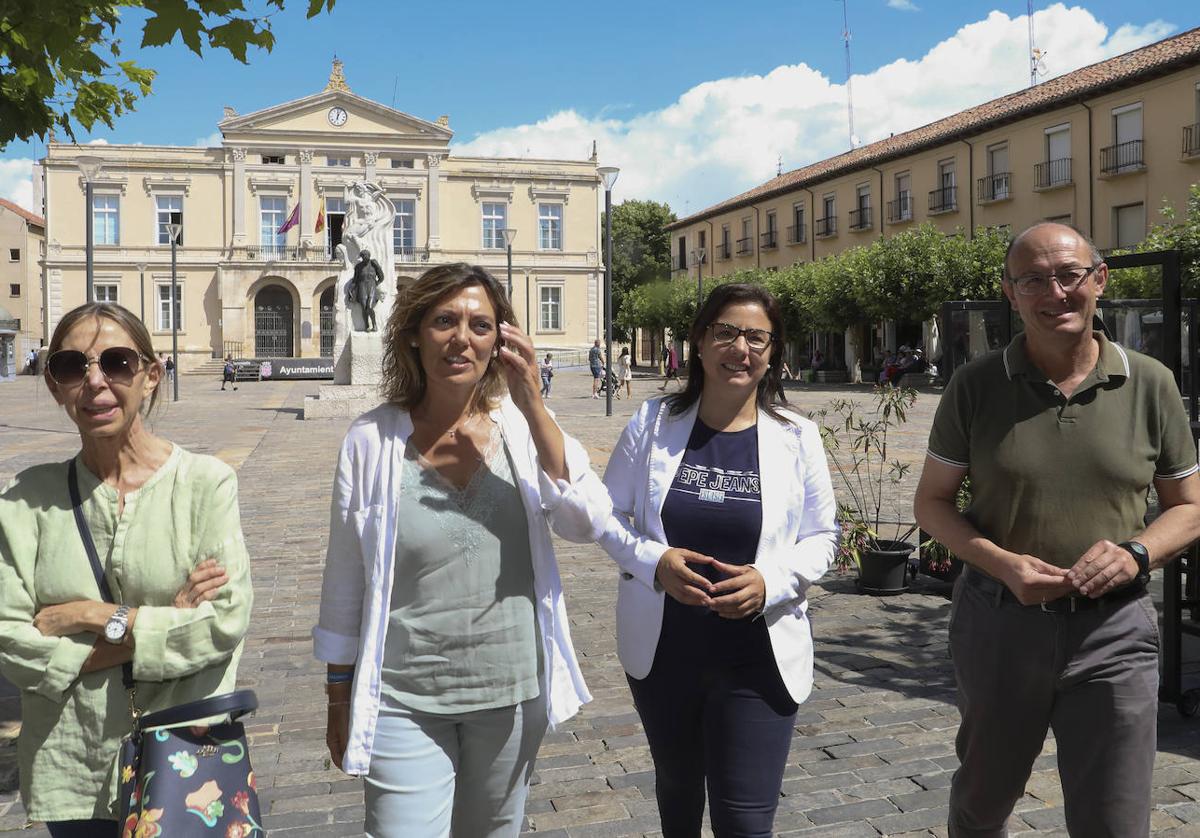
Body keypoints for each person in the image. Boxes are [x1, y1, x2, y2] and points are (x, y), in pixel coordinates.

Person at [914, 222, 1200, 838]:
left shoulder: (1150, 382)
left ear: (1098, 281)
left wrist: (1138, 552)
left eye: (1069, 275)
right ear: (1011, 293)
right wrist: (999, 564)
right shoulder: (975, 385)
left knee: (1115, 819)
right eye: (1033, 280)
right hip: (998, 624)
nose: (1055, 292)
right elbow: (933, 504)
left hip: (1113, 630)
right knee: (982, 804)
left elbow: (1191, 506)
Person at [315, 263, 611, 838]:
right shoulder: (371, 441)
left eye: (481, 324)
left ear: (501, 340)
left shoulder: (523, 432)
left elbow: (587, 520)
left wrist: (533, 404)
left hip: (511, 692)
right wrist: (337, 694)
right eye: (444, 321)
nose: (462, 338)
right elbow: (345, 578)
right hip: (404, 695)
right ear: (413, 335)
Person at [0, 302, 253, 835]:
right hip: (74, 767)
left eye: (116, 362)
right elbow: (10, 643)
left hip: (185, 764)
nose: (95, 383)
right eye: (72, 366)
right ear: (54, 386)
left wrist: (92, 614)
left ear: (151, 375)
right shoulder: (24, 501)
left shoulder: (206, 485)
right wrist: (165, 619)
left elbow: (223, 622)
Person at [599, 283, 838, 837]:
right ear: (700, 343)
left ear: (773, 351)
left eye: (757, 337)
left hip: (759, 655)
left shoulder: (797, 436)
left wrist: (770, 581)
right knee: (678, 802)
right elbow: (606, 517)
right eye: (726, 332)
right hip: (665, 653)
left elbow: (823, 536)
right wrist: (655, 561)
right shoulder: (653, 423)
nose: (742, 348)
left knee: (746, 821)